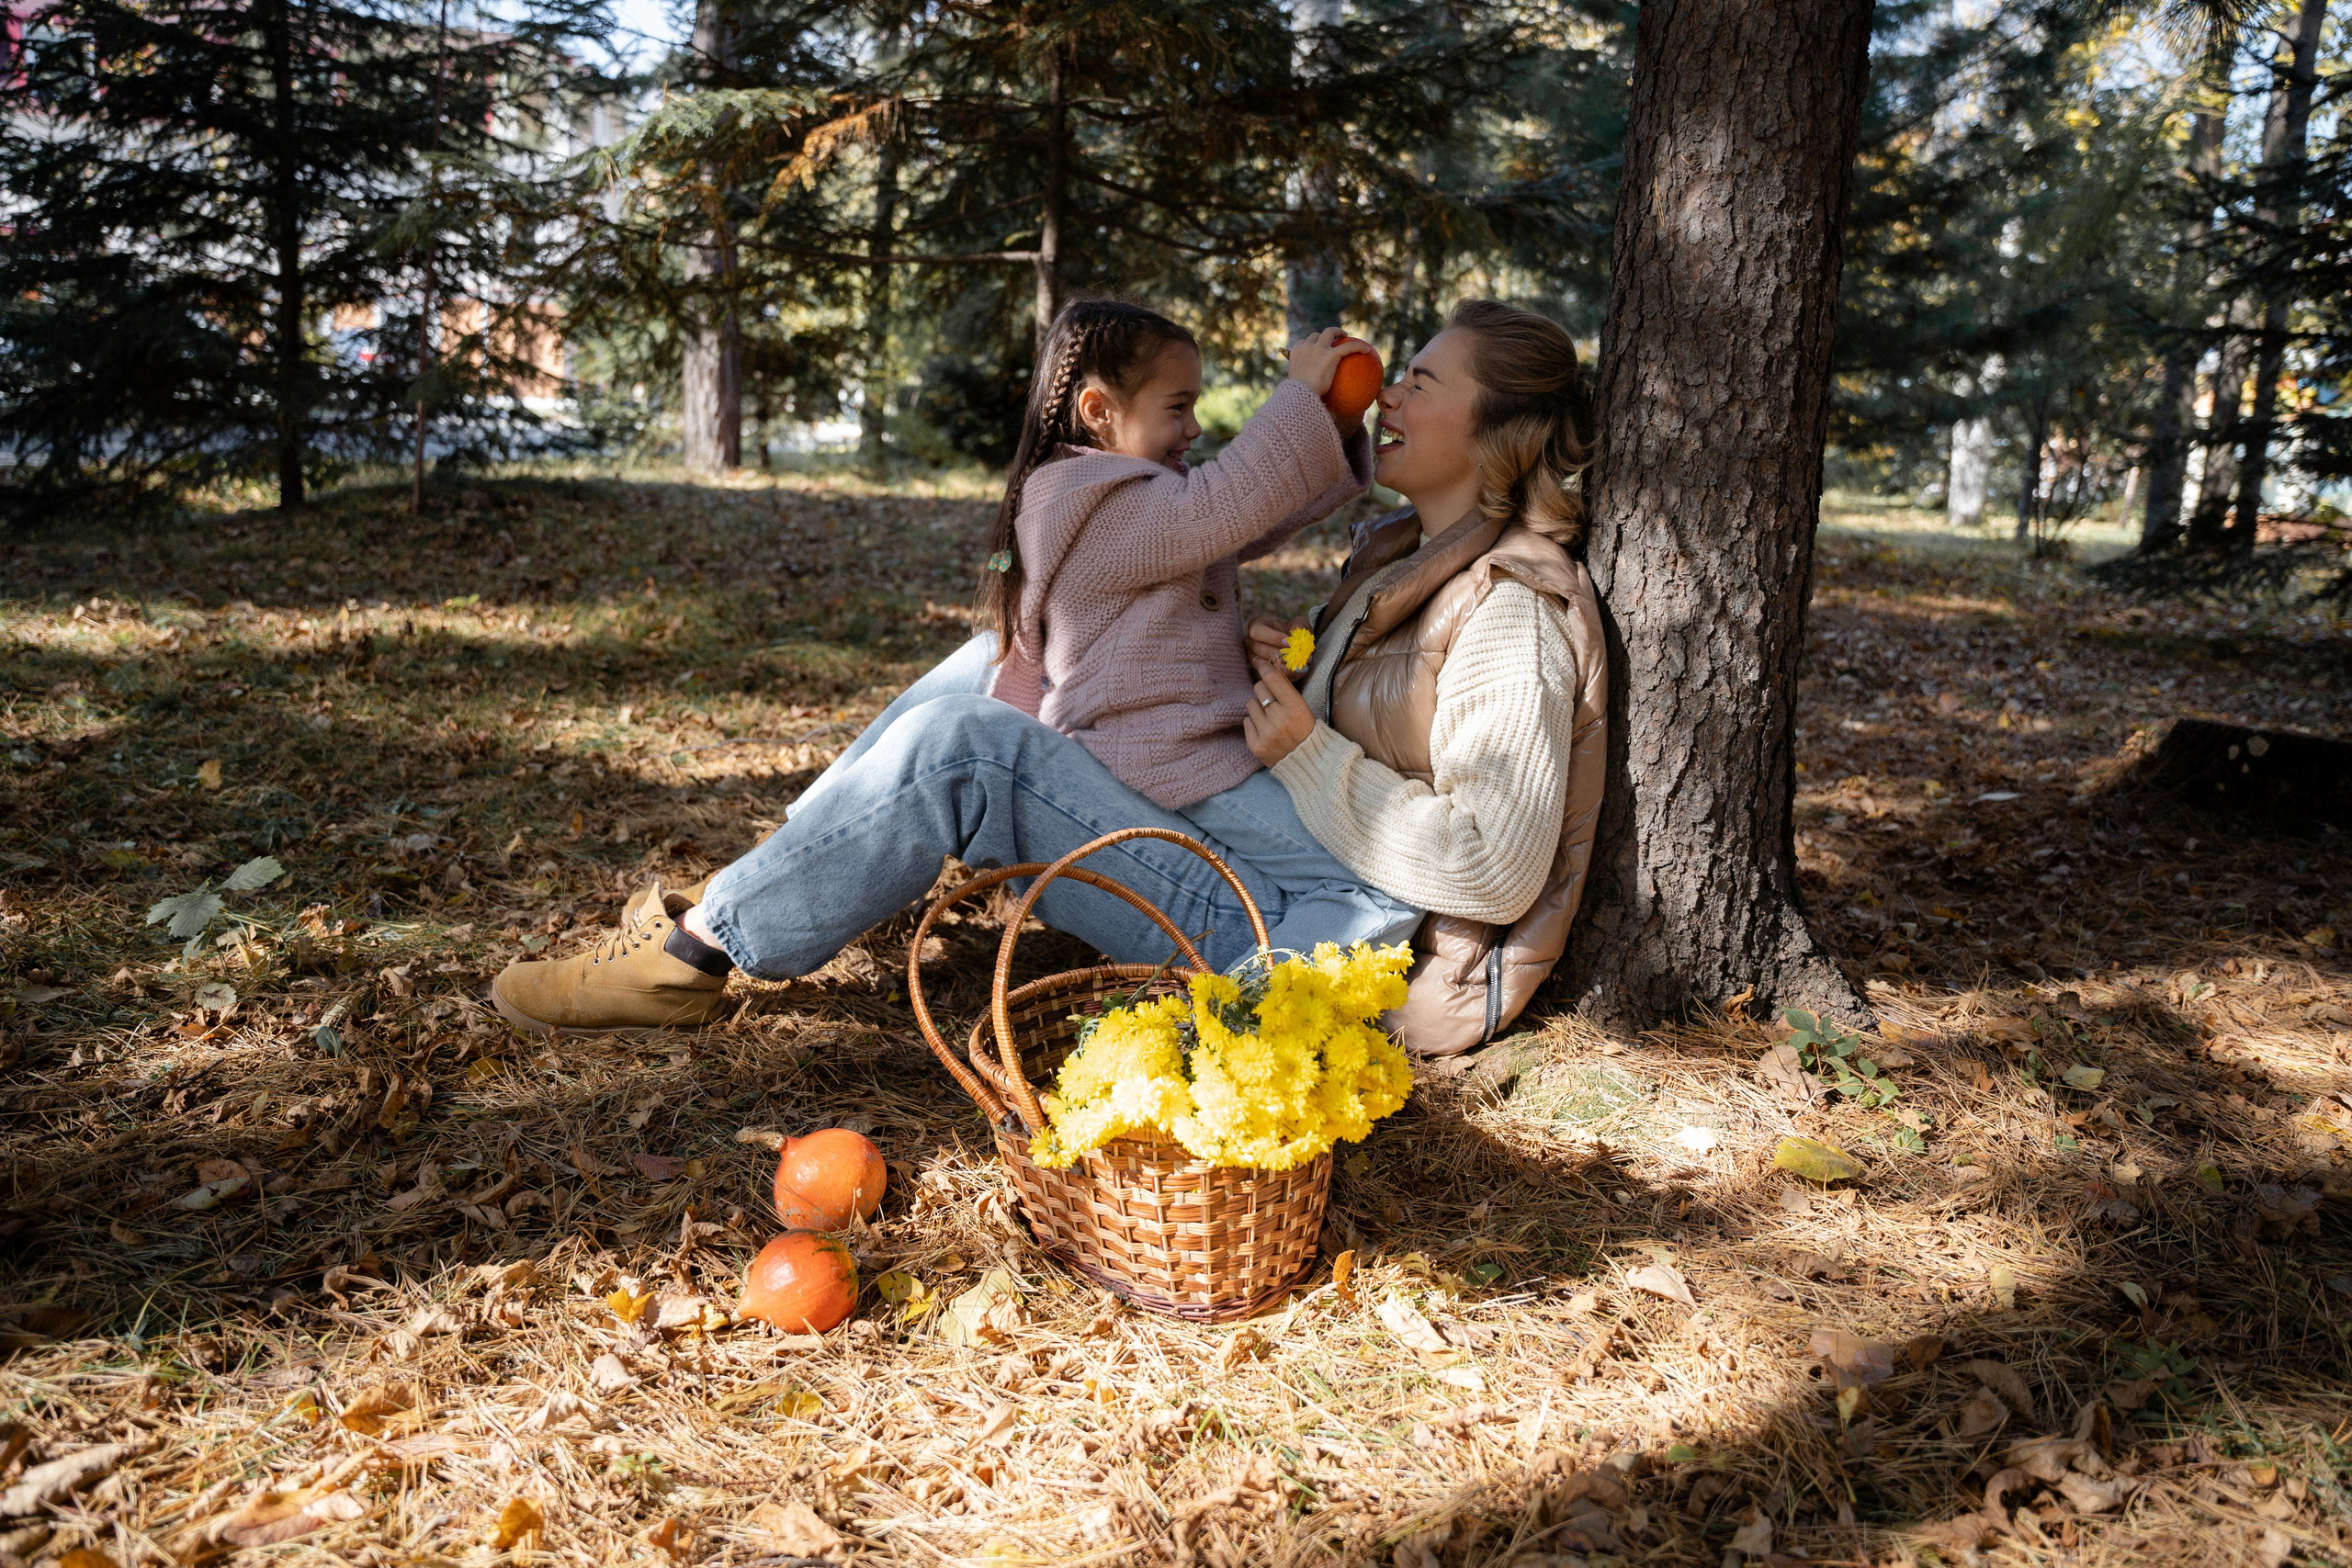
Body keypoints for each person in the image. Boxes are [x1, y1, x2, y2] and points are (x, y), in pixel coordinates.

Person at [488, 300, 1420, 1037]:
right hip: (1166, 781)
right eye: (1178, 408)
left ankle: (758, 883)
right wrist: (1300, 400)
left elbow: (1241, 511)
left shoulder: (1131, 494)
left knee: (980, 678)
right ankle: (699, 947)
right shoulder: (1102, 505)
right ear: (1099, 412)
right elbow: (1225, 503)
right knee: (966, 717)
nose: (1192, 429)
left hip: (1240, 907)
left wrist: (1329, 418)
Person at [1236, 300, 1609, 1054]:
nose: (1385, 395)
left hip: (1388, 962)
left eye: (1420, 381)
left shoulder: (1510, 608)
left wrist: (1305, 753)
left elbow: (1493, 867)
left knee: (981, 749)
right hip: (1298, 879)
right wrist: (1291, 672)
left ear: (1496, 434)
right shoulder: (1401, 556)